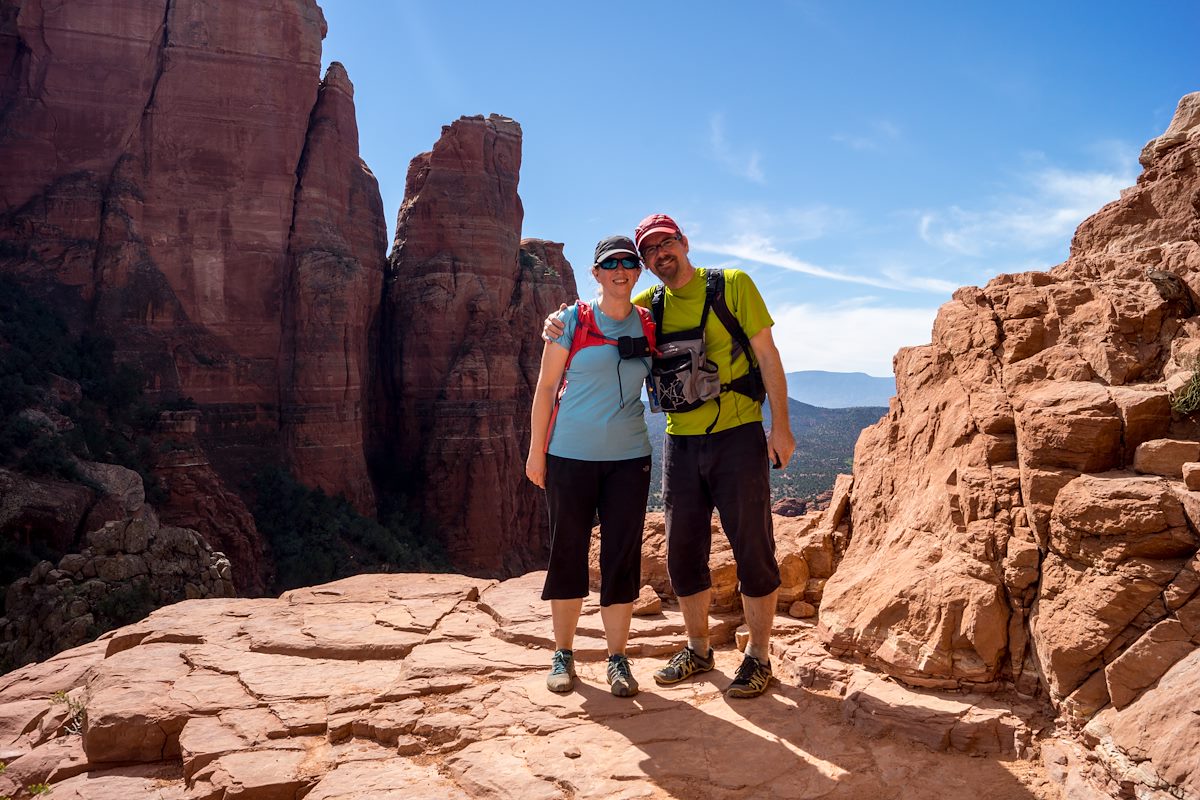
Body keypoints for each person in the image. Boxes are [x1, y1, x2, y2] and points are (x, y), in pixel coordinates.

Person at [543, 214, 794, 698]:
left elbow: (767, 355)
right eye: (649, 250)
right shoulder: (648, 303)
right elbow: (603, 312)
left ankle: (758, 657)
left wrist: (779, 426)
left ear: (684, 242)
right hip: (680, 440)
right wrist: (557, 319)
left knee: (753, 546)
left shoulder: (732, 285)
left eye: (666, 243)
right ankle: (699, 649)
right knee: (682, 551)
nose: (660, 254)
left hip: (738, 434)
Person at [526, 234, 655, 698]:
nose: (621, 270)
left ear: (637, 272)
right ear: (596, 273)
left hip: (629, 457)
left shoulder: (648, 322)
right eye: (611, 263)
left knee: (621, 557)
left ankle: (617, 659)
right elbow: (544, 389)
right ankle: (563, 653)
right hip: (569, 455)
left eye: (629, 262)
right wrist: (535, 451)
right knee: (568, 552)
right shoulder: (569, 321)